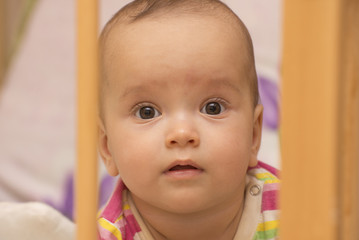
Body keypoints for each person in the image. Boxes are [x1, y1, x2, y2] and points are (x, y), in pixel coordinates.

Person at [97, 0, 279, 239]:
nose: (182, 134)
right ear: (107, 147)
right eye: (147, 112)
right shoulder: (106, 235)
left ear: (254, 135)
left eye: (212, 108)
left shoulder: (295, 210)